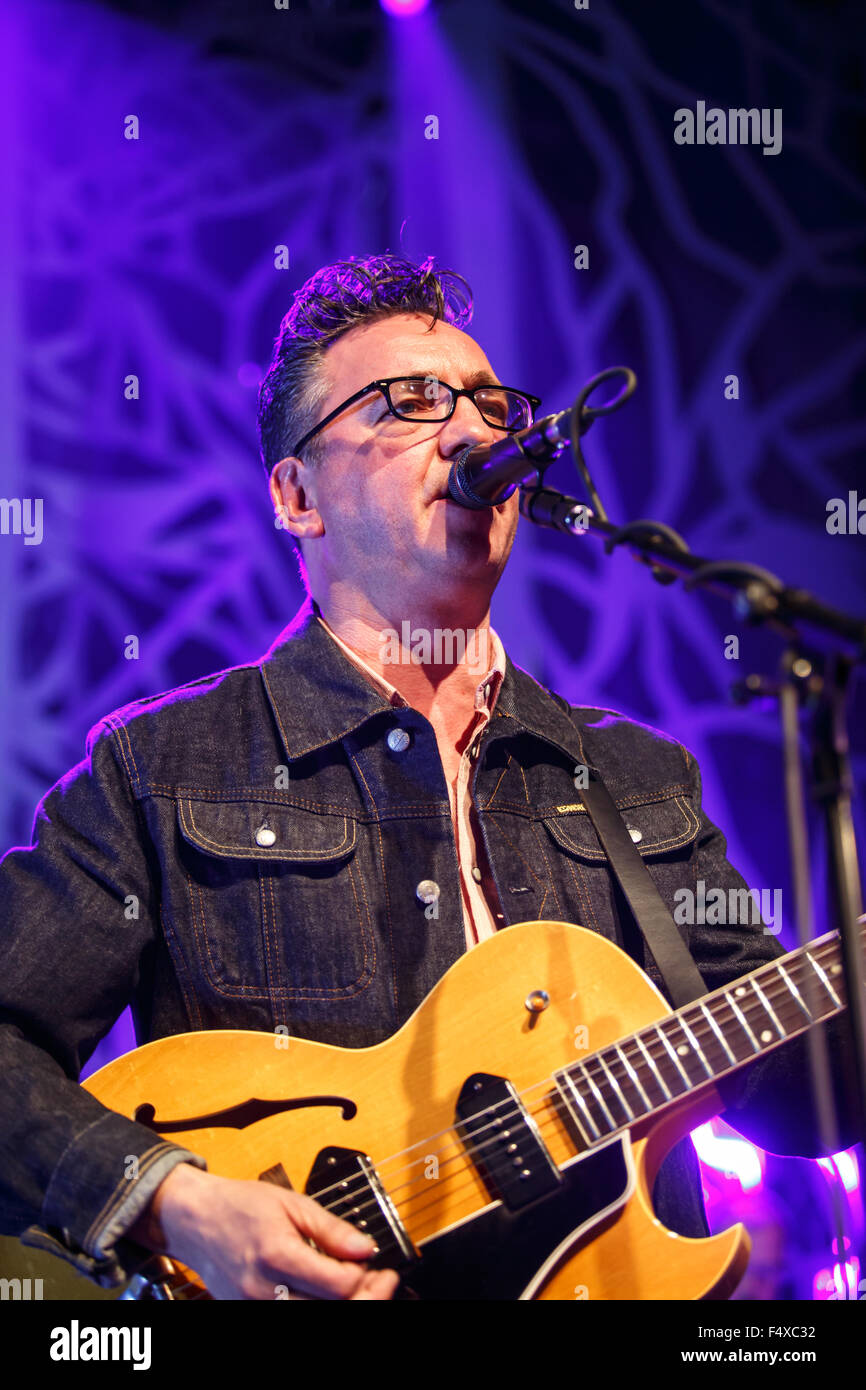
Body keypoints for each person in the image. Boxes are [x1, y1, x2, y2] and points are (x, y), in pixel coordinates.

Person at [0, 253, 856, 1301]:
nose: (470, 432)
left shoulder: (634, 777)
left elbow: (798, 1094)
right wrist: (172, 1199)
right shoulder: (161, 767)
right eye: (408, 404)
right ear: (297, 495)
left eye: (490, 406)